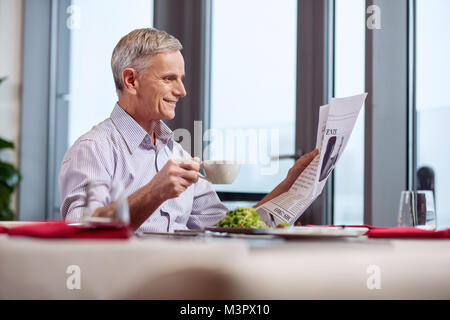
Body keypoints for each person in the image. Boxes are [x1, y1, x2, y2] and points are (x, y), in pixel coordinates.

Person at [59, 28, 318, 232]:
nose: (182, 91)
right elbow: (82, 231)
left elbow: (225, 228)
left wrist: (288, 185)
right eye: (168, 78)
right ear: (131, 80)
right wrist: (154, 192)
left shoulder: (177, 152)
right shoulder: (94, 149)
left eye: (181, 79)